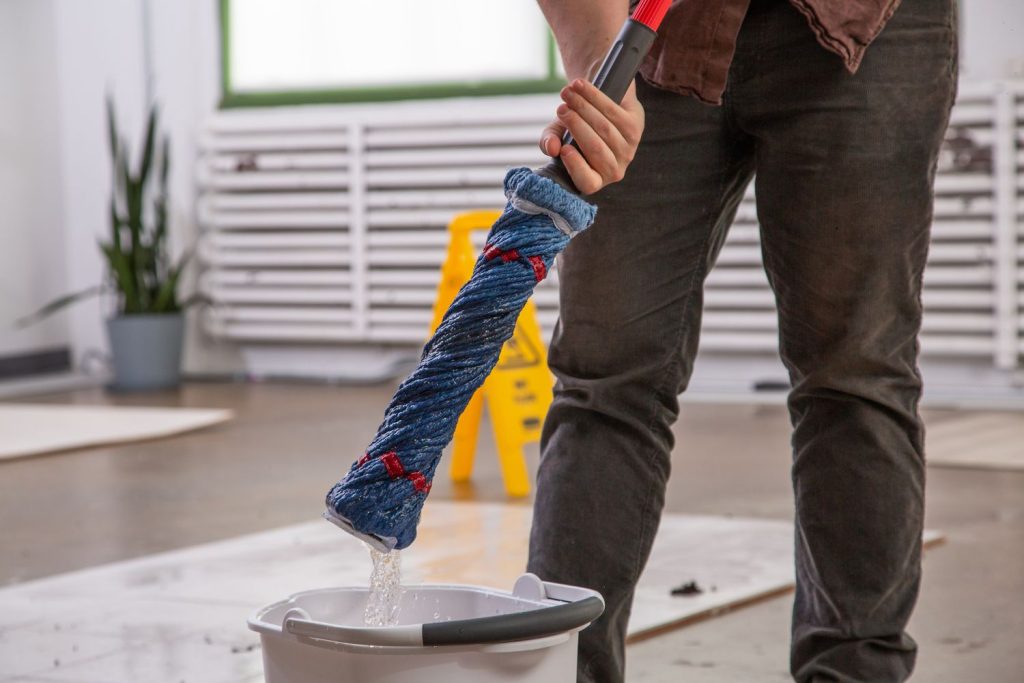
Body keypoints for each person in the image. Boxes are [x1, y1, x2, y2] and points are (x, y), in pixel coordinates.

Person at [527, 1, 958, 681]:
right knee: (604, 378)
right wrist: (597, 64)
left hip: (868, 27)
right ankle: (563, 670)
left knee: (854, 374)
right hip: (654, 30)